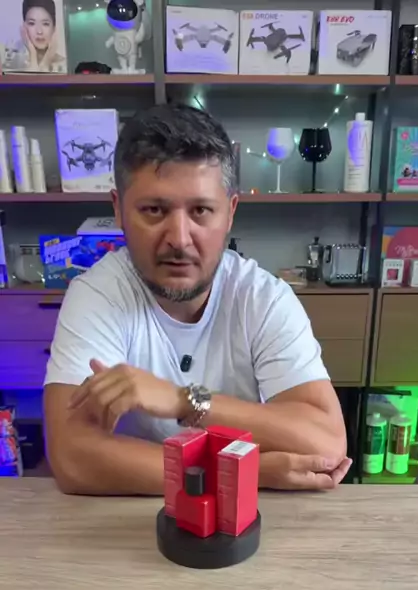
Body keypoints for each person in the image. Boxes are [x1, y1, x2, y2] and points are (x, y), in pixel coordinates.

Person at [44, 104, 351, 496]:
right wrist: (246, 473)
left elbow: (326, 445)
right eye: (154, 210)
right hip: (131, 518)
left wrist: (183, 401)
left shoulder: (263, 298)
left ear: (230, 212)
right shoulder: (98, 295)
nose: (179, 238)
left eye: (201, 210)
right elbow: (73, 457)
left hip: (248, 520)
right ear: (118, 209)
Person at [21, 0, 65, 73]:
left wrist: (46, 61)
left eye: (45, 24)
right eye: (32, 23)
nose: (39, 31)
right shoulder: (16, 64)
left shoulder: (65, 65)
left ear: (54, 28)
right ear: (24, 27)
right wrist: (33, 58)